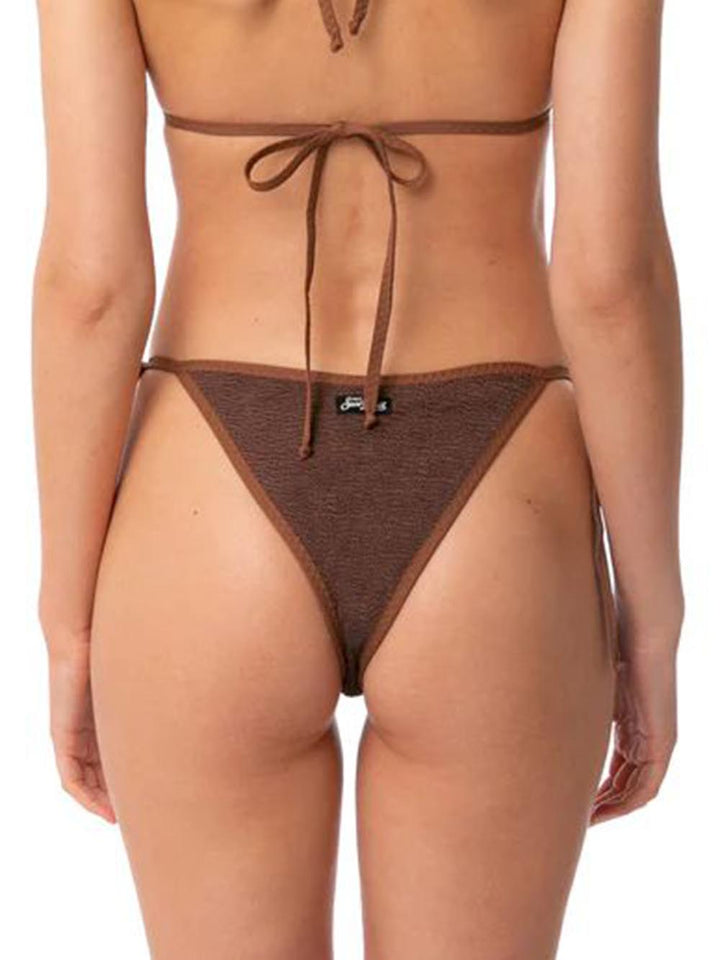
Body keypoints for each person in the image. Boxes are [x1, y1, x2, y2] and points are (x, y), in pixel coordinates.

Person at [32, 1, 683, 957]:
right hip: (498, 500)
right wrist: (652, 624)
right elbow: (610, 282)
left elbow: (91, 286)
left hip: (207, 495)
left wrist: (68, 625)